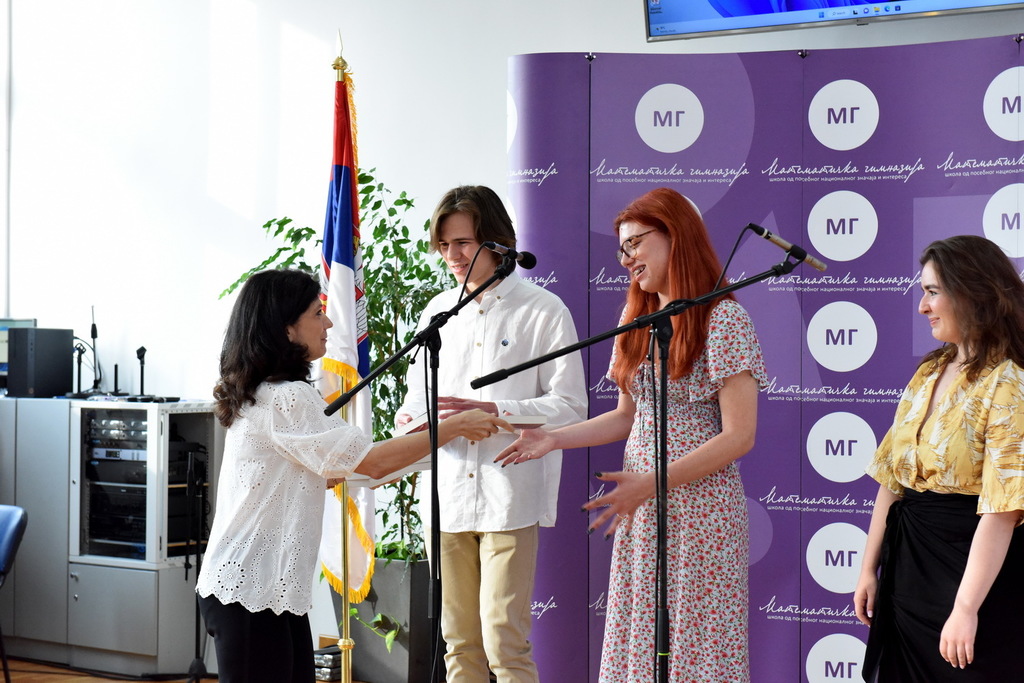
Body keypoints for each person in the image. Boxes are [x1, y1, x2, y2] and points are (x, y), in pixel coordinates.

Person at [497, 187, 767, 682]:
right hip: (642, 505)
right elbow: (626, 417)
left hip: (702, 512)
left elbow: (739, 436)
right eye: (622, 249)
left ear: (675, 236)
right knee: (642, 643)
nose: (626, 260)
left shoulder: (725, 319)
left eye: (635, 244)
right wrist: (552, 438)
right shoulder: (634, 319)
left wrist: (652, 482)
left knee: (698, 647)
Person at [196, 268, 510, 683]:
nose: (328, 323)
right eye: (316, 313)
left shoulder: (265, 391)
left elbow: (348, 469)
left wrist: (432, 446)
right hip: (251, 590)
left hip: (263, 590)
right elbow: (371, 462)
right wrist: (451, 428)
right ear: (286, 328)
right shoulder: (288, 397)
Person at [395, 185, 587, 683]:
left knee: (504, 642)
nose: (452, 256)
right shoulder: (436, 314)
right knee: (459, 644)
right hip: (446, 497)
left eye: (463, 243)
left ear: (499, 241)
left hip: (509, 497)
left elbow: (571, 408)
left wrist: (498, 411)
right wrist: (418, 424)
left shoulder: (544, 310)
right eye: (443, 245)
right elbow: (412, 406)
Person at [853, 235, 1024, 682]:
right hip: (907, 572)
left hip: (972, 574)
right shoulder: (928, 371)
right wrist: (869, 569)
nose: (922, 307)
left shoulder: (1009, 382)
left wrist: (965, 609)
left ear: (972, 293)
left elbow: (1003, 511)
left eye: (932, 292)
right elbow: (892, 480)